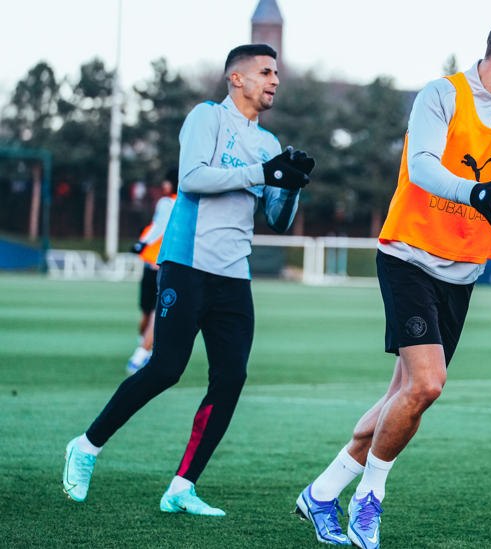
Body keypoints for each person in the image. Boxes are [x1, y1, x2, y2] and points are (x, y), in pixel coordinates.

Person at [293, 15, 491, 547]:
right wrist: (484, 193)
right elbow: (421, 167)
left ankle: (321, 493)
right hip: (410, 256)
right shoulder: (440, 95)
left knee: (404, 396)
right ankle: (370, 501)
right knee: (426, 384)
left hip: (464, 268)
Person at [62, 44, 315, 516]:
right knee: (166, 368)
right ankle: (87, 446)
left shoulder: (267, 142)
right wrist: (265, 172)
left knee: (231, 377)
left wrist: (291, 185)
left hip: (234, 274)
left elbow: (277, 219)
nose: (274, 80)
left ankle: (182, 486)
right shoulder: (206, 118)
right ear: (236, 79)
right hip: (187, 264)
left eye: (276, 73)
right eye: (265, 72)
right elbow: (193, 178)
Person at [126, 169, 178, 376]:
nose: (164, 185)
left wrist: (141, 243)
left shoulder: (167, 203)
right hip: (164, 265)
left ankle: (140, 355)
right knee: (154, 313)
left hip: (154, 264)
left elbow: (159, 227)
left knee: (150, 312)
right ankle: (142, 353)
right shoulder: (188, 204)